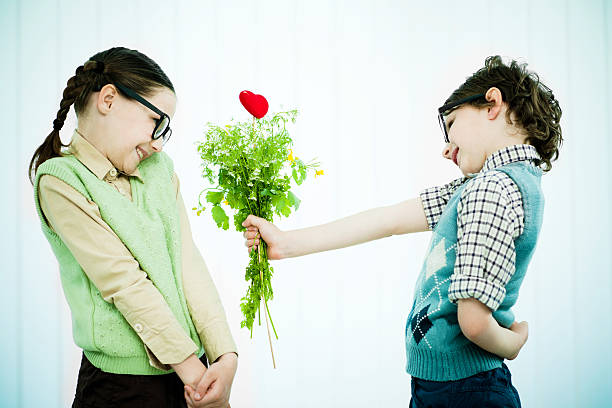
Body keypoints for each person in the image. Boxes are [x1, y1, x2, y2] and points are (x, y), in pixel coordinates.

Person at [242, 55, 562, 407]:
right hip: (453, 385)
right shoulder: (487, 187)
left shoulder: (492, 189)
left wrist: (512, 345)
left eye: (450, 124)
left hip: (465, 388)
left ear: (492, 104)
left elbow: (472, 321)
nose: (446, 149)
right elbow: (389, 220)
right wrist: (286, 244)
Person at [29, 47, 237, 408]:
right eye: (155, 122)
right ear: (108, 99)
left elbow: (188, 261)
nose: (158, 143)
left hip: (191, 371)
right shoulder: (60, 182)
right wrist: (195, 375)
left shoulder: (160, 170)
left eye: (165, 131)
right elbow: (124, 283)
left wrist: (224, 356)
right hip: (122, 388)